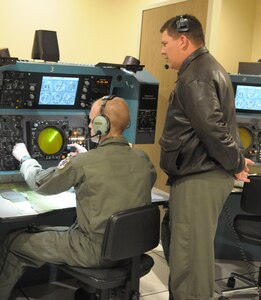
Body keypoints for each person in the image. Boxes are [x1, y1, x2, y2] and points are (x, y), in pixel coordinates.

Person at [0, 96, 157, 300]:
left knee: (14, 242)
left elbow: (39, 182)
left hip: (92, 252)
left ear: (102, 124)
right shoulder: (143, 158)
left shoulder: (84, 163)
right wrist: (87, 160)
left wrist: (24, 158)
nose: (90, 125)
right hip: (132, 249)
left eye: (92, 121)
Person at [159, 14, 254, 300]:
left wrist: (236, 162)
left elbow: (212, 130)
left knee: (189, 262)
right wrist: (235, 158)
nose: (162, 49)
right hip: (202, 174)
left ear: (183, 40)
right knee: (190, 252)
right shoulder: (207, 68)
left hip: (198, 178)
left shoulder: (195, 77)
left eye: (165, 43)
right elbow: (222, 126)